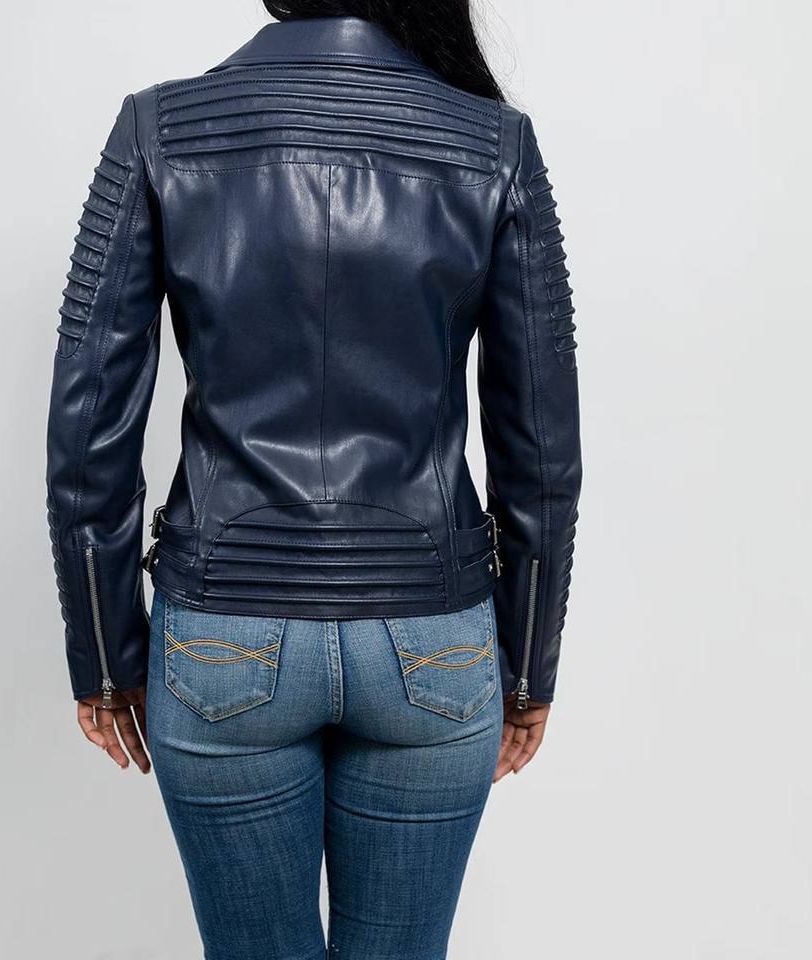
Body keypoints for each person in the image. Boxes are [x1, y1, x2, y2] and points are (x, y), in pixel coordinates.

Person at [44, 2, 582, 957]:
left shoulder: (162, 130)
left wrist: (106, 653)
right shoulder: (492, 143)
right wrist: (529, 663)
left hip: (224, 631)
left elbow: (90, 436)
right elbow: (540, 446)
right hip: (433, 640)